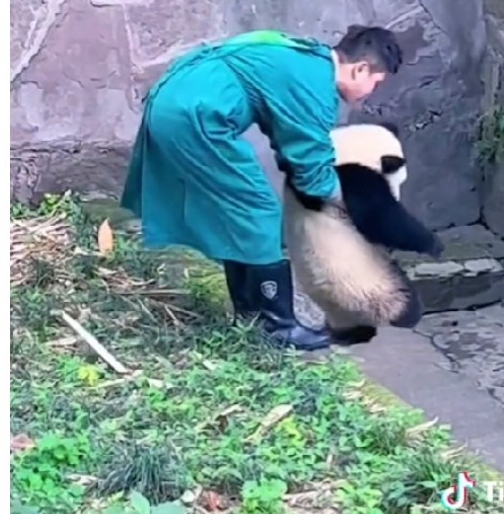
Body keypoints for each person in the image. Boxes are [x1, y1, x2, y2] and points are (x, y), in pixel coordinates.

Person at [120, 25, 403, 352]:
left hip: (176, 100)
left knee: (243, 214)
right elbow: (312, 172)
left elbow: (290, 144)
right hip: (194, 116)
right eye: (375, 83)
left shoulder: (305, 59)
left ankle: (251, 315)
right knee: (258, 212)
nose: (371, 91)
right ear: (361, 69)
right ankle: (279, 326)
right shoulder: (314, 86)